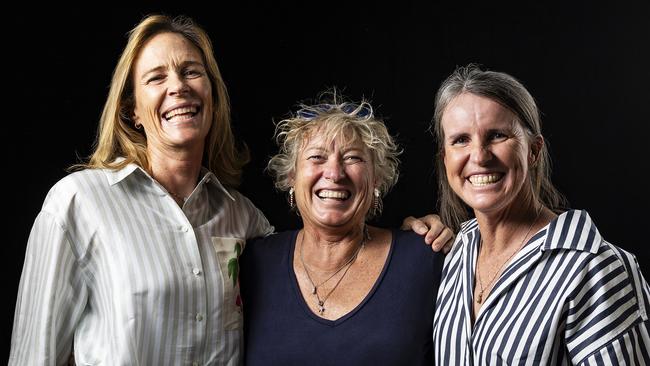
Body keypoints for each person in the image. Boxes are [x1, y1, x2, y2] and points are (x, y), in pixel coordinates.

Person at [9, 15, 451, 365]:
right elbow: (34, 356)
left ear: (212, 96)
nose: (177, 86)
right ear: (132, 112)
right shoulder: (78, 204)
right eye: (156, 77)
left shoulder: (245, 222)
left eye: (190, 72)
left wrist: (420, 229)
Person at [431, 64, 650, 364]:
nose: (479, 156)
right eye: (460, 140)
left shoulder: (596, 267)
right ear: (445, 158)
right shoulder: (458, 252)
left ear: (533, 150)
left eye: (497, 135)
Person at [240, 94, 446, 365]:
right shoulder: (254, 263)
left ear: (376, 179)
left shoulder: (425, 257)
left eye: (352, 158)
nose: (335, 173)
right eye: (317, 157)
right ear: (291, 176)